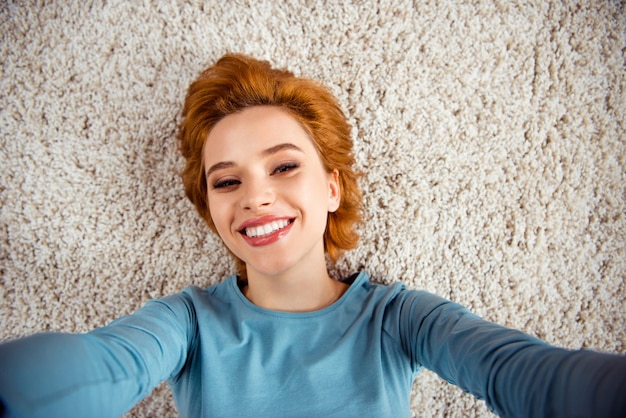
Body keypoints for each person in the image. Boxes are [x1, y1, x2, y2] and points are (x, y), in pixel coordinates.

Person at [0, 53, 624, 418]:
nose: (255, 196)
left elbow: (522, 373)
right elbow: (98, 367)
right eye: (226, 182)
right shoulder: (185, 322)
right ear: (212, 211)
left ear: (332, 188)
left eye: (284, 166)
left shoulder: (399, 318)